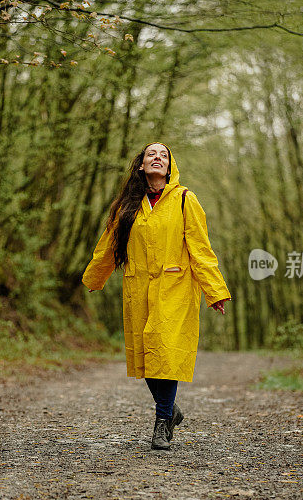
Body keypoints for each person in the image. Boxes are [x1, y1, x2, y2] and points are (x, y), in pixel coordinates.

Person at [82, 142, 231, 450]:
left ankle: (162, 422)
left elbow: (201, 249)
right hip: (138, 288)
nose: (158, 158)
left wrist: (214, 291)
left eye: (164, 155)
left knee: (165, 349)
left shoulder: (184, 200)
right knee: (147, 353)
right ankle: (170, 408)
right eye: (152, 154)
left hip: (174, 287)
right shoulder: (128, 204)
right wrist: (95, 277)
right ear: (141, 165)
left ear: (170, 167)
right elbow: (109, 244)